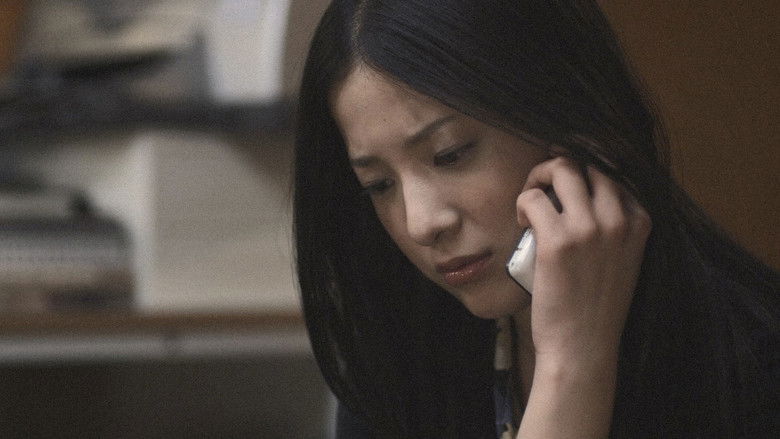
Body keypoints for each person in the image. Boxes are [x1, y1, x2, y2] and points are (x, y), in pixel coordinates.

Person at [293, 1, 780, 437]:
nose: (421, 224)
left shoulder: (754, 365)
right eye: (379, 185)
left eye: (450, 154)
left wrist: (573, 360)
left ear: (565, 119)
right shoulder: (403, 352)